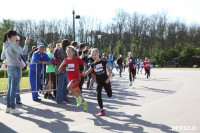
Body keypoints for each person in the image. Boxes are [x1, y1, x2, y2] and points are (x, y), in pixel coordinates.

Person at [1, 29, 30, 114]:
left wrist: (10, 58)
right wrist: (26, 43)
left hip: (9, 67)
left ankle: (9, 107)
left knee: (10, 88)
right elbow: (24, 52)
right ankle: (13, 108)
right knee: (13, 89)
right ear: (13, 36)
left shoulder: (5, 44)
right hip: (15, 67)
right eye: (16, 36)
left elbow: (2, 57)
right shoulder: (12, 44)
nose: (17, 38)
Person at [82, 48, 112, 116]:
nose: (94, 56)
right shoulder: (93, 64)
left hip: (105, 80)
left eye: (95, 55)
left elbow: (110, 70)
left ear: (98, 54)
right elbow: (89, 71)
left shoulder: (104, 62)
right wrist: (84, 74)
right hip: (98, 81)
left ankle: (110, 86)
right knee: (98, 95)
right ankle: (102, 110)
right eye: (92, 55)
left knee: (109, 95)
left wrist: (108, 78)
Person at [58, 46, 88, 111]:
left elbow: (85, 64)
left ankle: (78, 99)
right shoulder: (65, 60)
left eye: (69, 51)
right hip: (71, 79)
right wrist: (62, 64)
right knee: (78, 91)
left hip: (77, 77)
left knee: (69, 87)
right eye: (67, 51)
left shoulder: (76, 59)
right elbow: (59, 70)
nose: (68, 52)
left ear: (73, 52)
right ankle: (84, 102)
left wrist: (84, 71)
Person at [54, 39, 70, 104]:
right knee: (60, 85)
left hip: (63, 69)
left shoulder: (59, 49)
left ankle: (64, 97)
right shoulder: (61, 50)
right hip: (60, 69)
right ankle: (59, 99)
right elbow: (65, 59)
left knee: (65, 83)